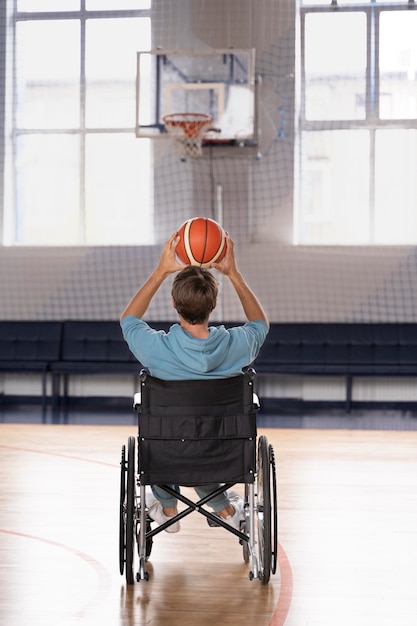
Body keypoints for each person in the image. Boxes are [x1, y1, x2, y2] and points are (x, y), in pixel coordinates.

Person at [120, 231, 269, 533]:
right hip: (220, 452)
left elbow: (129, 320)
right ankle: (224, 508)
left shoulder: (156, 350)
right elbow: (260, 324)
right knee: (205, 435)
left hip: (168, 454)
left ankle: (167, 505)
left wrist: (162, 270)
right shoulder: (237, 346)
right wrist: (234, 274)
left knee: (170, 436)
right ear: (213, 303)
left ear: (174, 302)